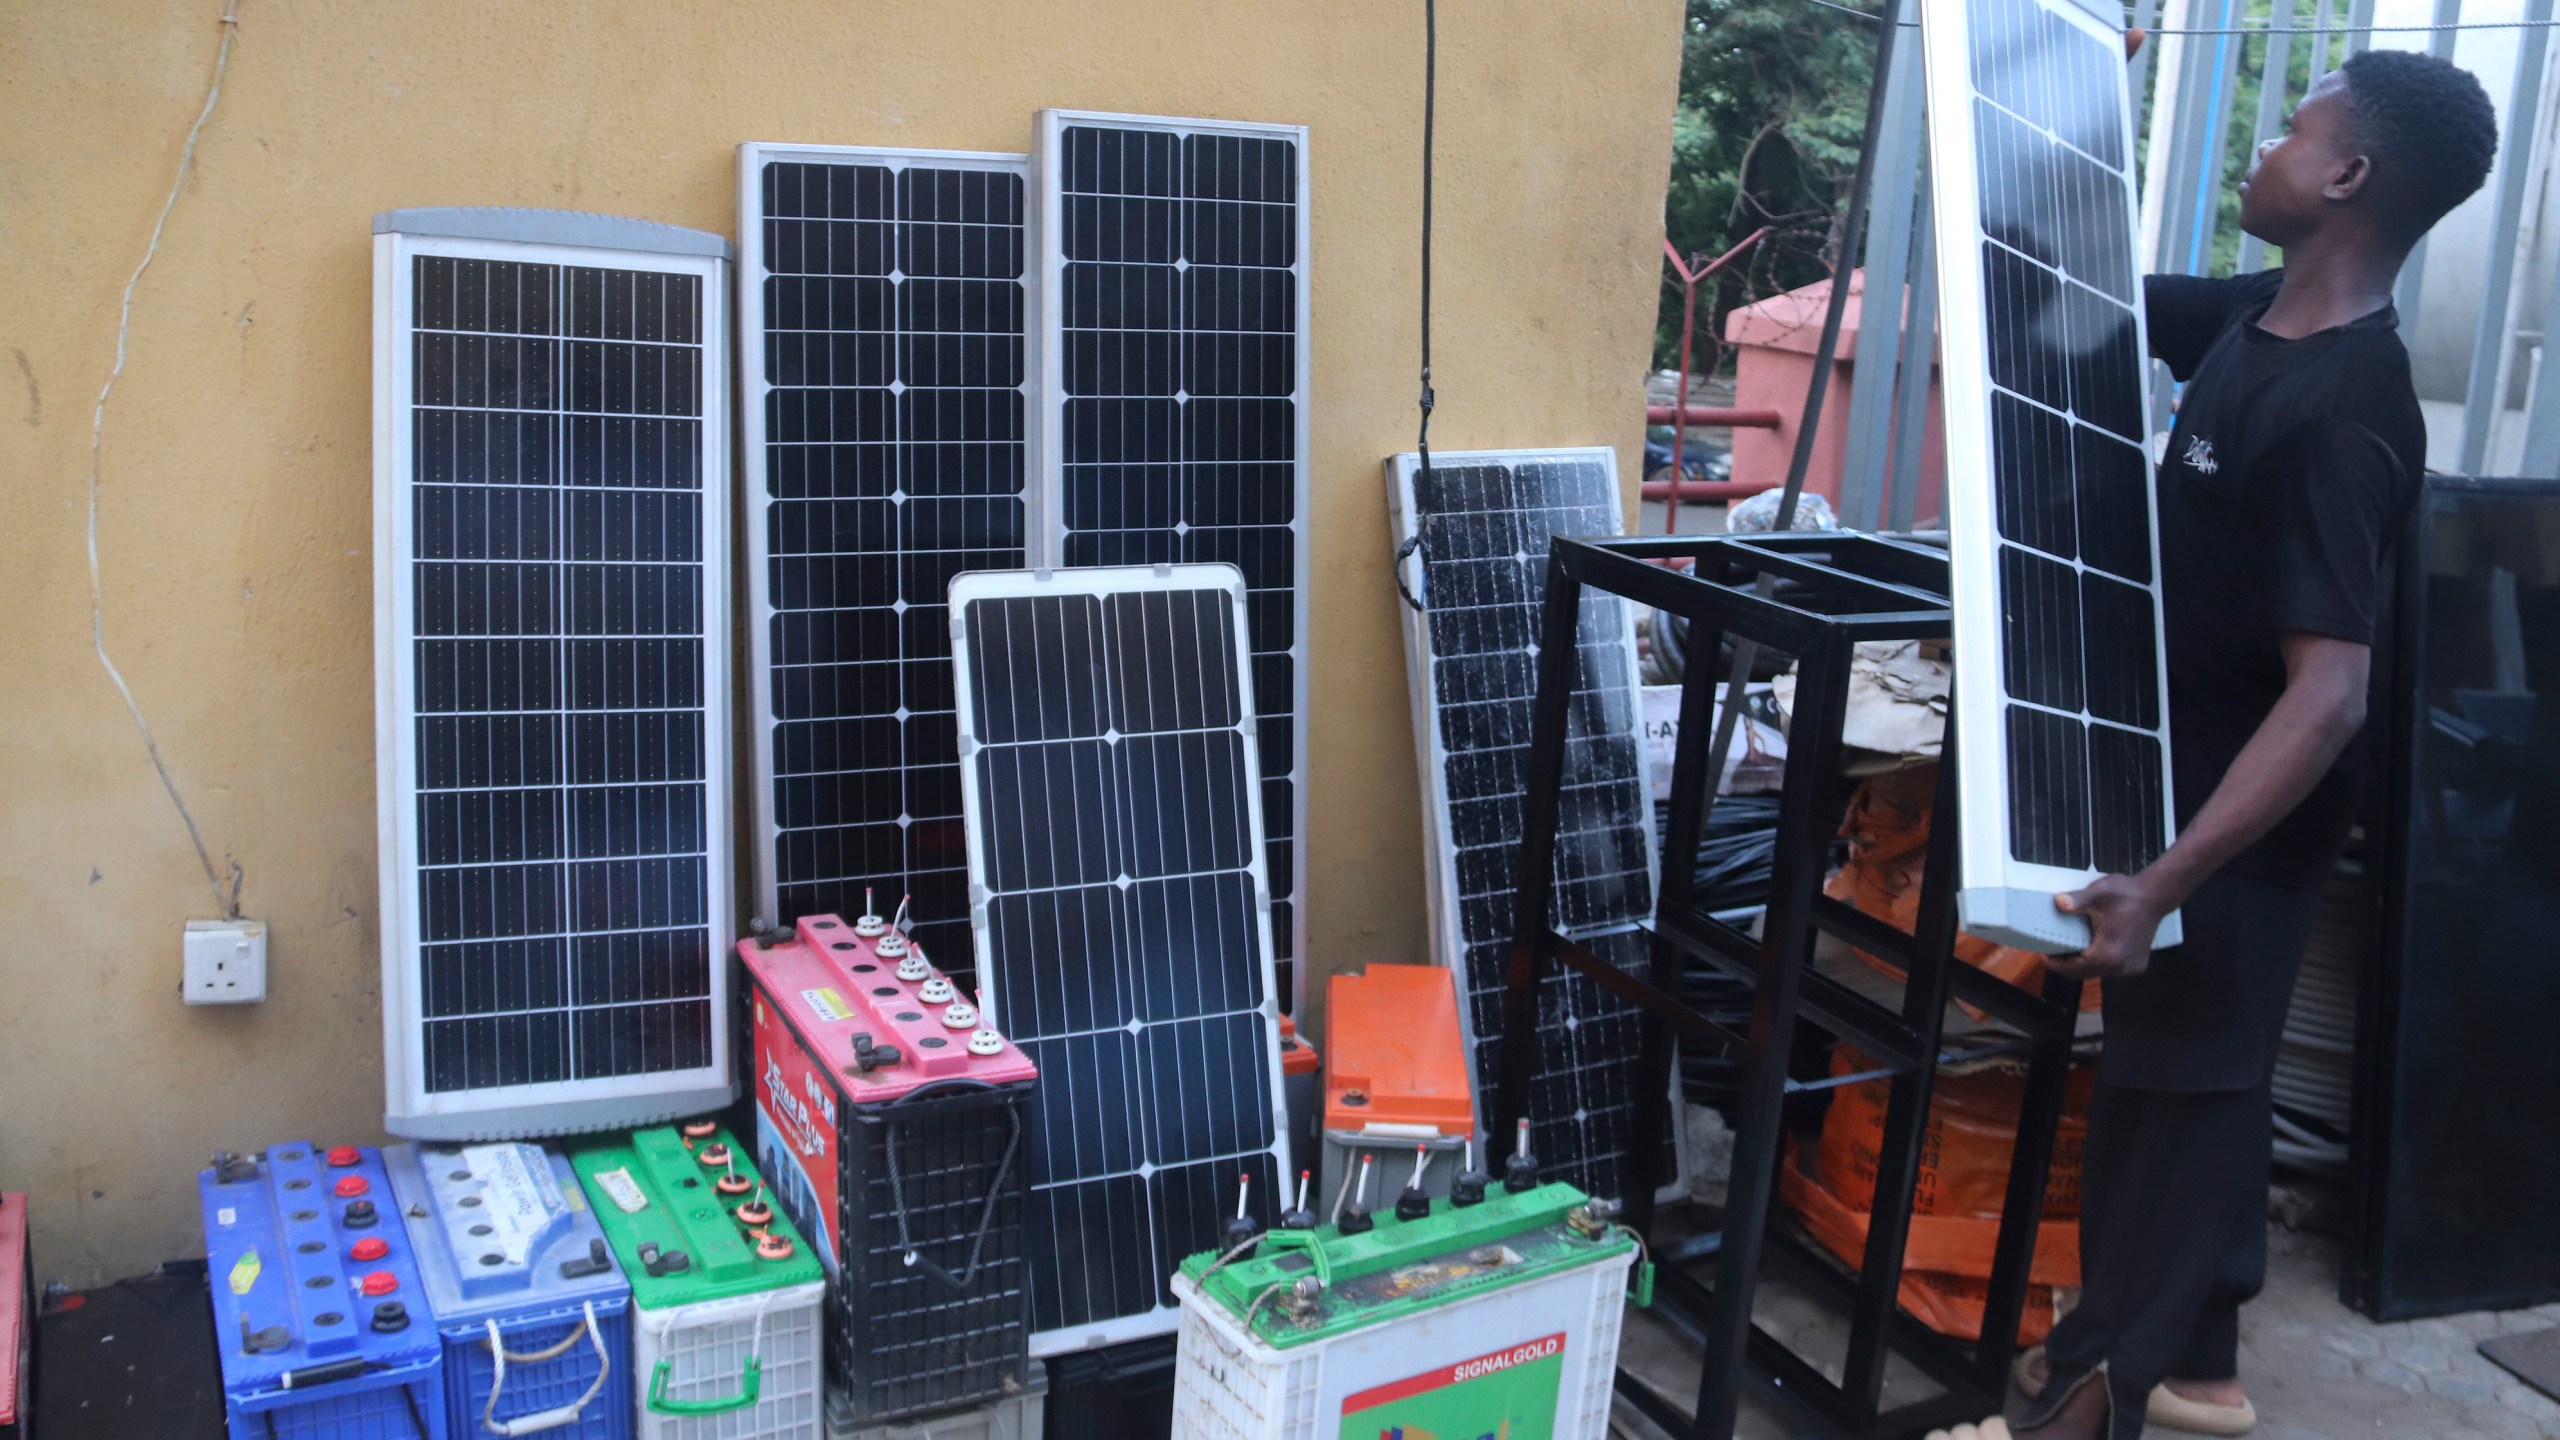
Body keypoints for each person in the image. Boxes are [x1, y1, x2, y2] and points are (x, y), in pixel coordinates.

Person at [1929, 44, 2503, 1440]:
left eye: (2290, 132)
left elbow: (2333, 696)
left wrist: (2170, 879)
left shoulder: (2342, 418)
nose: (2260, 148)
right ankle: (2203, 1374)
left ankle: (2084, 1400)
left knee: (2163, 1116)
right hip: (2186, 782)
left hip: (2237, 833)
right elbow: (2085, 304)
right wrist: (2053, 113)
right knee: (2207, 1084)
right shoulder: (2262, 318)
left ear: (2348, 177)